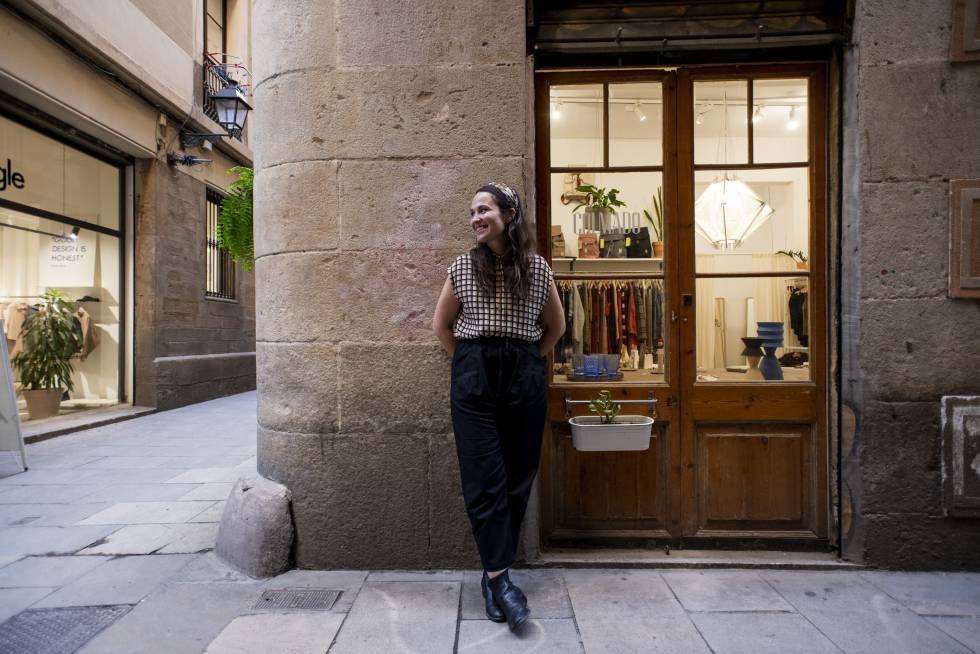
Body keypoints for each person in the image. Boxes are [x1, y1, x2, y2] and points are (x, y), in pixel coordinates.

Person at [432, 182, 565, 632]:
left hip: (524, 374)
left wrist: (525, 361)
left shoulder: (538, 269)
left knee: (517, 476)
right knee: (484, 478)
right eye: (471, 212)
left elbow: (556, 327)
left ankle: (493, 577)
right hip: (475, 375)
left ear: (509, 214)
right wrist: (472, 366)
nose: (475, 218)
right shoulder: (463, 267)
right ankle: (501, 581)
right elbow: (442, 326)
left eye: (483, 209)